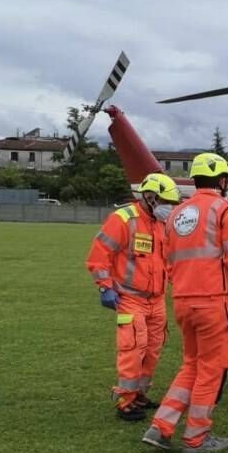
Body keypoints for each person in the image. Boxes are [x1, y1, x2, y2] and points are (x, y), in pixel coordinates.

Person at [142, 152, 228, 453]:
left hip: (184, 301)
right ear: (223, 181)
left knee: (191, 365)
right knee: (210, 370)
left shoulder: (177, 214)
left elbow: (170, 260)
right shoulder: (227, 211)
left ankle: (161, 427)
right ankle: (196, 438)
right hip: (214, 304)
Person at [86, 172, 180, 421]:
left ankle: (139, 394)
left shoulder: (162, 224)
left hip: (157, 299)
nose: (168, 208)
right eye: (165, 202)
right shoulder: (123, 219)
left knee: (152, 350)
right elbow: (99, 254)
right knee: (132, 348)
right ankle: (125, 401)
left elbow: (166, 261)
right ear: (149, 197)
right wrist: (105, 286)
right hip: (130, 298)